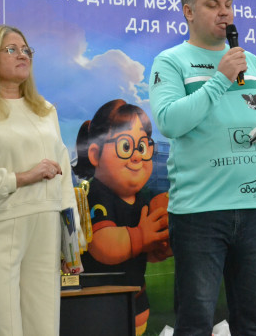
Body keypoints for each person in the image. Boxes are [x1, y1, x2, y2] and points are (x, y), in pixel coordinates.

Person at [148, 0, 256, 335]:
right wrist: (220, 79)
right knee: (195, 322)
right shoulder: (171, 61)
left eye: (229, 5)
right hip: (199, 212)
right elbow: (170, 122)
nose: (225, 12)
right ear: (188, 11)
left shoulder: (250, 61)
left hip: (253, 209)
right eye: (213, 4)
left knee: (251, 322)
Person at [0, 25, 82, 336]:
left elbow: (64, 179)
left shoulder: (45, 111)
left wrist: (71, 245)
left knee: (44, 324)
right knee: (1, 325)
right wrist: (22, 177)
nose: (22, 55)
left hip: (46, 227)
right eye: (11, 49)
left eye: (26, 50)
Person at [73, 99, 170, 336]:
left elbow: (143, 252)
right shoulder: (97, 194)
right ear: (95, 154)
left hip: (135, 301)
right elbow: (102, 245)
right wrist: (142, 237)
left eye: (143, 147)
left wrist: (160, 245)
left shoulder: (142, 199)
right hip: (102, 302)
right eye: (125, 146)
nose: (137, 157)